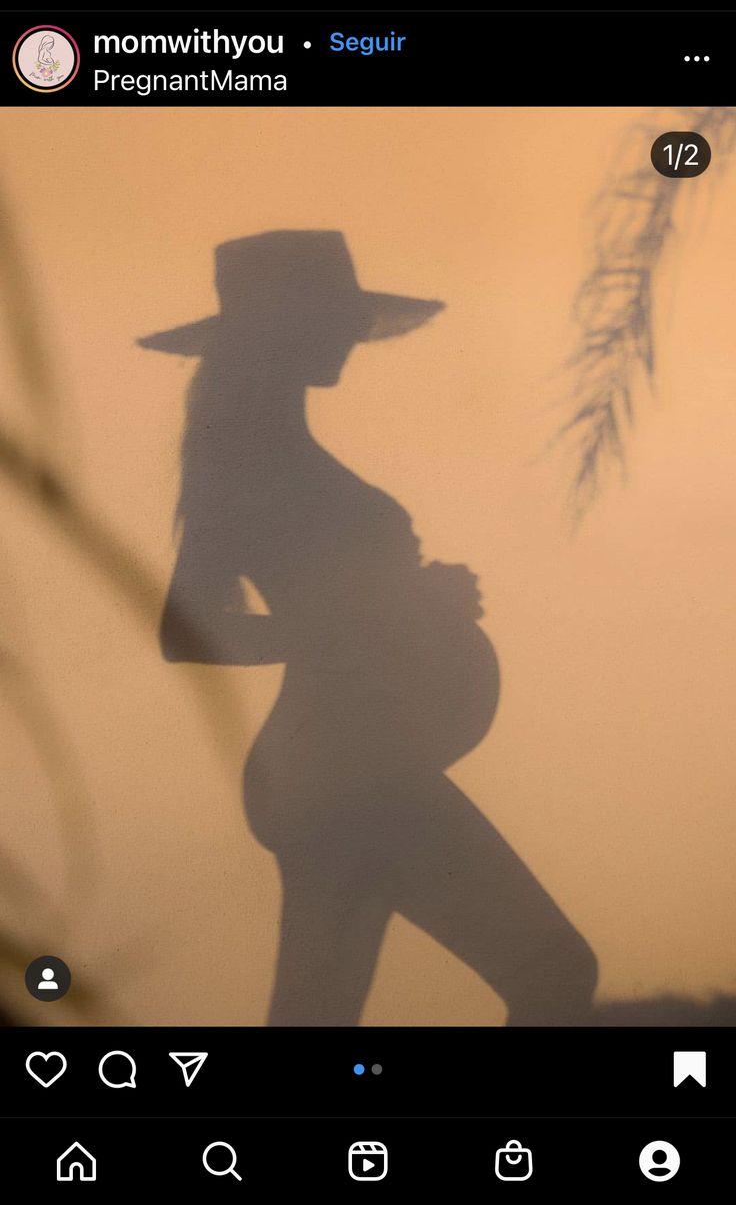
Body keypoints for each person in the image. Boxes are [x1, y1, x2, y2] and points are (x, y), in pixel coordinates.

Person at [141, 230, 597, 1025]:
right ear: (285, 333)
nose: (345, 336)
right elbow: (187, 632)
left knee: (317, 1015)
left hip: (337, 770)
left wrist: (412, 605)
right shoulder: (250, 468)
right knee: (553, 969)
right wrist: (362, 621)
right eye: (330, 319)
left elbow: (342, 608)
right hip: (348, 773)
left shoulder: (271, 456)